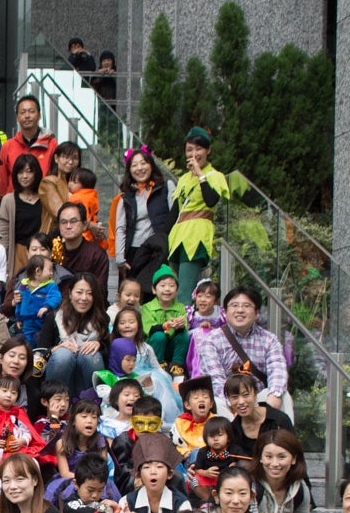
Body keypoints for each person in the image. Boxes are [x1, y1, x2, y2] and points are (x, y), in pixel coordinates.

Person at [198, 286, 290, 414]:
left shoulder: (269, 340)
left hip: (258, 401)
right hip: (229, 403)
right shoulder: (211, 341)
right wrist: (238, 406)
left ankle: (277, 427)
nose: (240, 310)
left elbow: (277, 371)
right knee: (217, 402)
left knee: (283, 396)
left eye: (247, 306)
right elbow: (216, 382)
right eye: (234, 305)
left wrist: (270, 404)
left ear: (257, 312)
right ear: (225, 311)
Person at [166, 126, 228, 295]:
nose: (193, 154)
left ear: (208, 150)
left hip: (196, 237)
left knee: (184, 293)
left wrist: (200, 174)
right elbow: (174, 212)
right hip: (177, 238)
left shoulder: (215, 176)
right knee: (172, 292)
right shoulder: (184, 179)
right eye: (189, 149)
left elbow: (211, 200)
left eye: (198, 148)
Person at [112, 147, 173, 287]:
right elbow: (121, 228)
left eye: (143, 163)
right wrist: (120, 258)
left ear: (151, 164)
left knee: (158, 291)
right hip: (134, 253)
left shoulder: (166, 188)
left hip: (158, 251)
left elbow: (175, 218)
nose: (139, 168)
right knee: (133, 293)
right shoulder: (126, 197)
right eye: (134, 165)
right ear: (129, 170)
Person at [0, 96, 57, 196]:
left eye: (31, 111)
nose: (27, 116)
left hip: (43, 200)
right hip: (14, 201)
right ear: (17, 118)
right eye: (22, 112)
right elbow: (1, 180)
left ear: (39, 116)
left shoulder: (51, 144)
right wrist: (5, 199)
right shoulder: (8, 146)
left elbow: (56, 176)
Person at [52, 201, 109, 294]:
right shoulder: (55, 252)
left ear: (84, 225)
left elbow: (99, 291)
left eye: (73, 221)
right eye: (64, 222)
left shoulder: (96, 254)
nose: (68, 226)